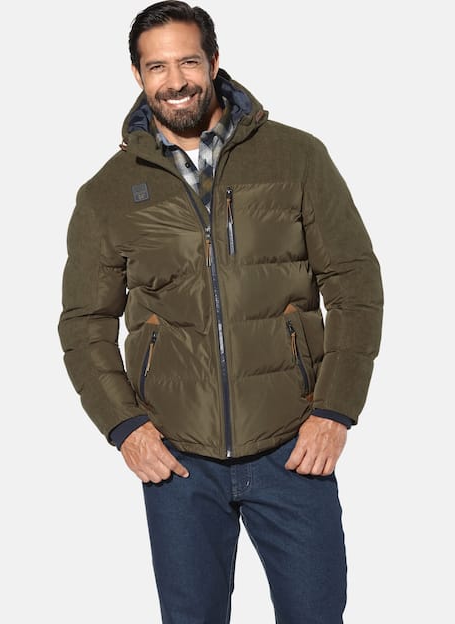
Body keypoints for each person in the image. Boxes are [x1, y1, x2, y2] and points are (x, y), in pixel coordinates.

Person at [58, 2, 384, 622]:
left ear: (213, 61)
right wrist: (125, 426)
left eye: (187, 61)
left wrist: (335, 410)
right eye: (157, 66)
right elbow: (84, 324)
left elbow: (354, 283)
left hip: (293, 445)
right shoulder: (107, 193)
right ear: (137, 75)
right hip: (178, 460)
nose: (175, 80)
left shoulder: (296, 158)